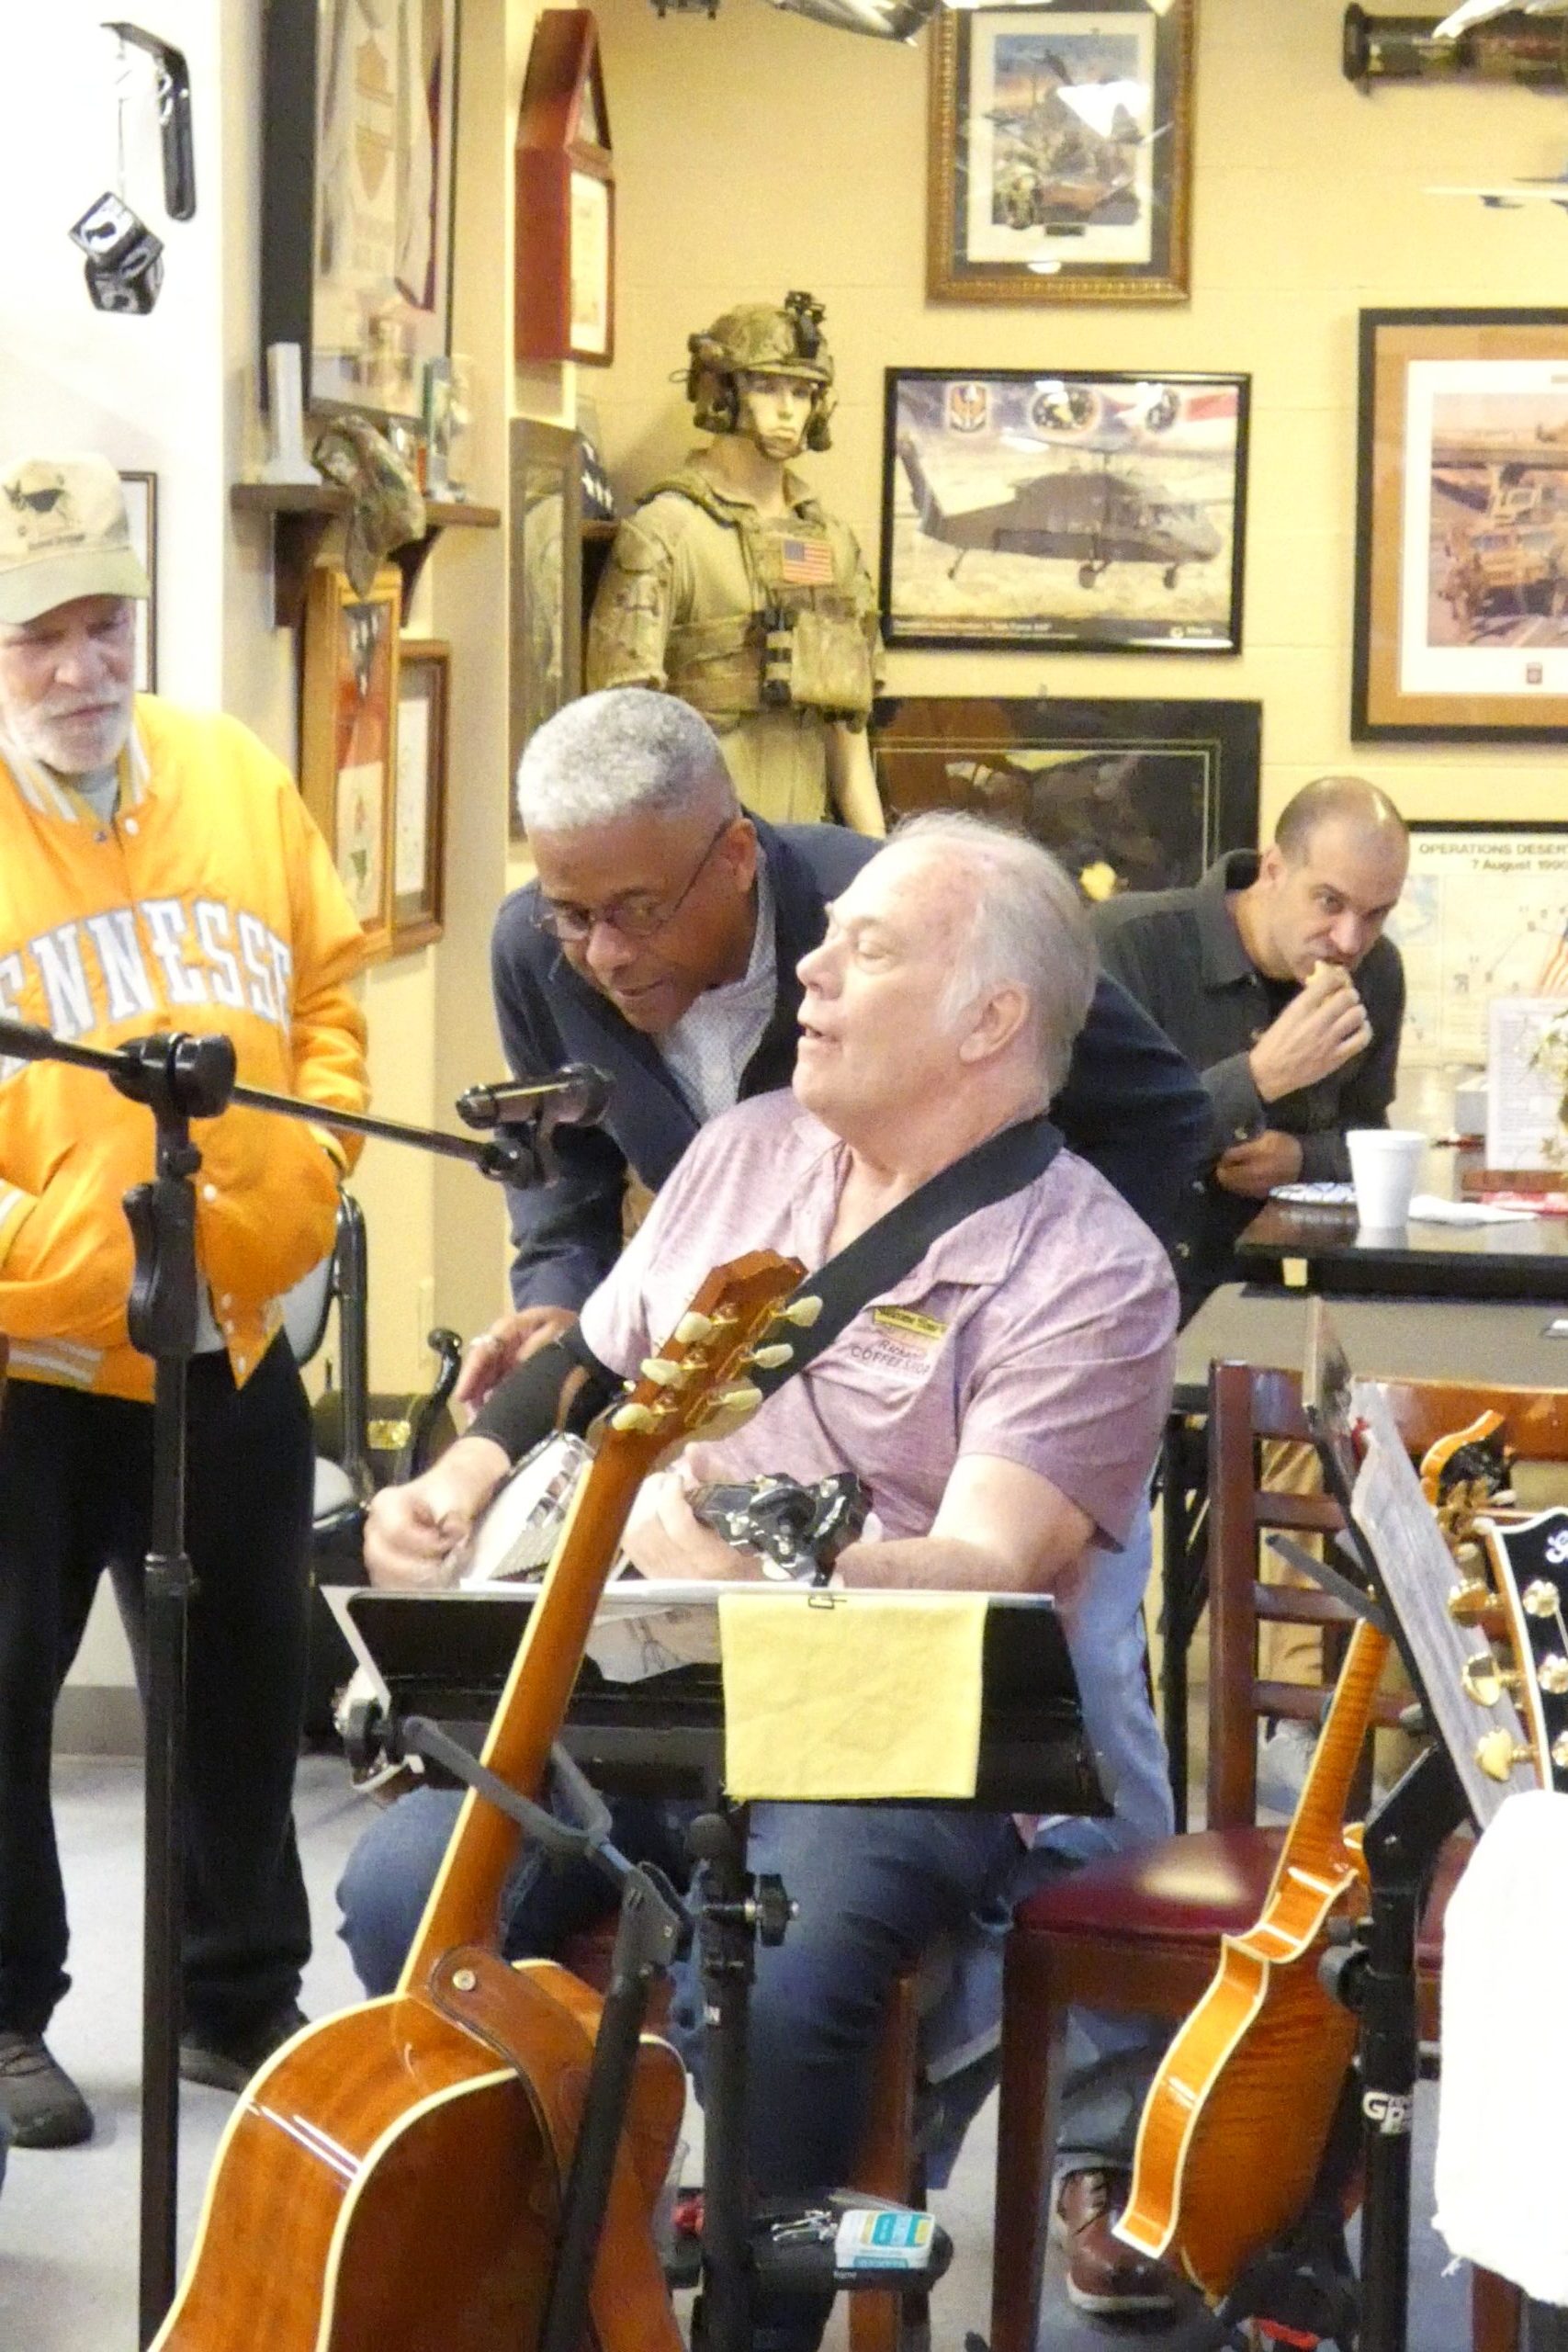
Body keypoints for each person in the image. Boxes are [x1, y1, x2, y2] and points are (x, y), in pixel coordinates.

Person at [340, 814, 1186, 2331]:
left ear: (989, 1016)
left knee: (791, 1979)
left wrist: (766, 1553)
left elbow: (992, 1563)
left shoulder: (1092, 1265)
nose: (811, 966)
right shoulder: (742, 1154)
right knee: (407, 1887)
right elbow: (594, 1361)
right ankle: (542, 2261)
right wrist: (455, 1484)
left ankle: (753, 2316)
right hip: (653, 1686)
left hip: (889, 1734)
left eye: (866, 947)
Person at [0, 453, 370, 2147]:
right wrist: (81, 1254)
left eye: (104, 625)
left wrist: (311, 1179)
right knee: (1, 1691)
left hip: (231, 1340)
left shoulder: (227, 772)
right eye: (39, 639)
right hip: (25, 1361)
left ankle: (240, 2004)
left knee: (243, 1680)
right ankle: (7, 2017)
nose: (83, 669)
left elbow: (332, 987)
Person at [460, 685, 1211, 1410]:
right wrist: (563, 1315)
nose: (604, 953)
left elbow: (1159, 1116)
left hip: (962, 1396)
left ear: (736, 856)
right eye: (572, 913)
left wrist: (1052, 1334)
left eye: (642, 910)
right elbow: (561, 1194)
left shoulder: (895, 918)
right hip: (739, 1421)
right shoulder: (535, 952)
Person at [1091, 777, 1410, 1318]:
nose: (1350, 940)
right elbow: (1090, 1152)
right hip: (1129, 1296)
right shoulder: (1128, 943)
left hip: (1293, 1299)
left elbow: (1367, 1139)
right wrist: (1258, 1079)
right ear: (1274, 870)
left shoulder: (1377, 972)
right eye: (1330, 901)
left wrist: (1303, 1159)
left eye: (1377, 913)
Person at [585, 291, 886, 833]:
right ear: (722, 390)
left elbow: (849, 747)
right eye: (766, 386)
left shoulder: (834, 545)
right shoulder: (666, 534)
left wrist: (882, 868)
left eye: (802, 390)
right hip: (695, 850)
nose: (788, 408)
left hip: (804, 850)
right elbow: (623, 735)